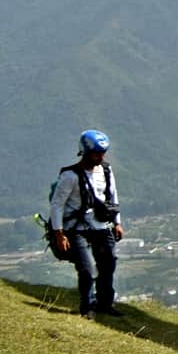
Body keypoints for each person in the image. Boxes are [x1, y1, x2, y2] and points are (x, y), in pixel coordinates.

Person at [48, 130, 123, 319]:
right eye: (96, 153)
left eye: (102, 153)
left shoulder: (106, 170)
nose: (100, 156)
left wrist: (117, 223)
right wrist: (59, 233)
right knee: (88, 269)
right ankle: (87, 306)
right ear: (85, 152)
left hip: (101, 225)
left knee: (108, 263)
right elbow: (57, 205)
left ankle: (105, 303)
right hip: (77, 229)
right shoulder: (70, 176)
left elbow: (112, 196)